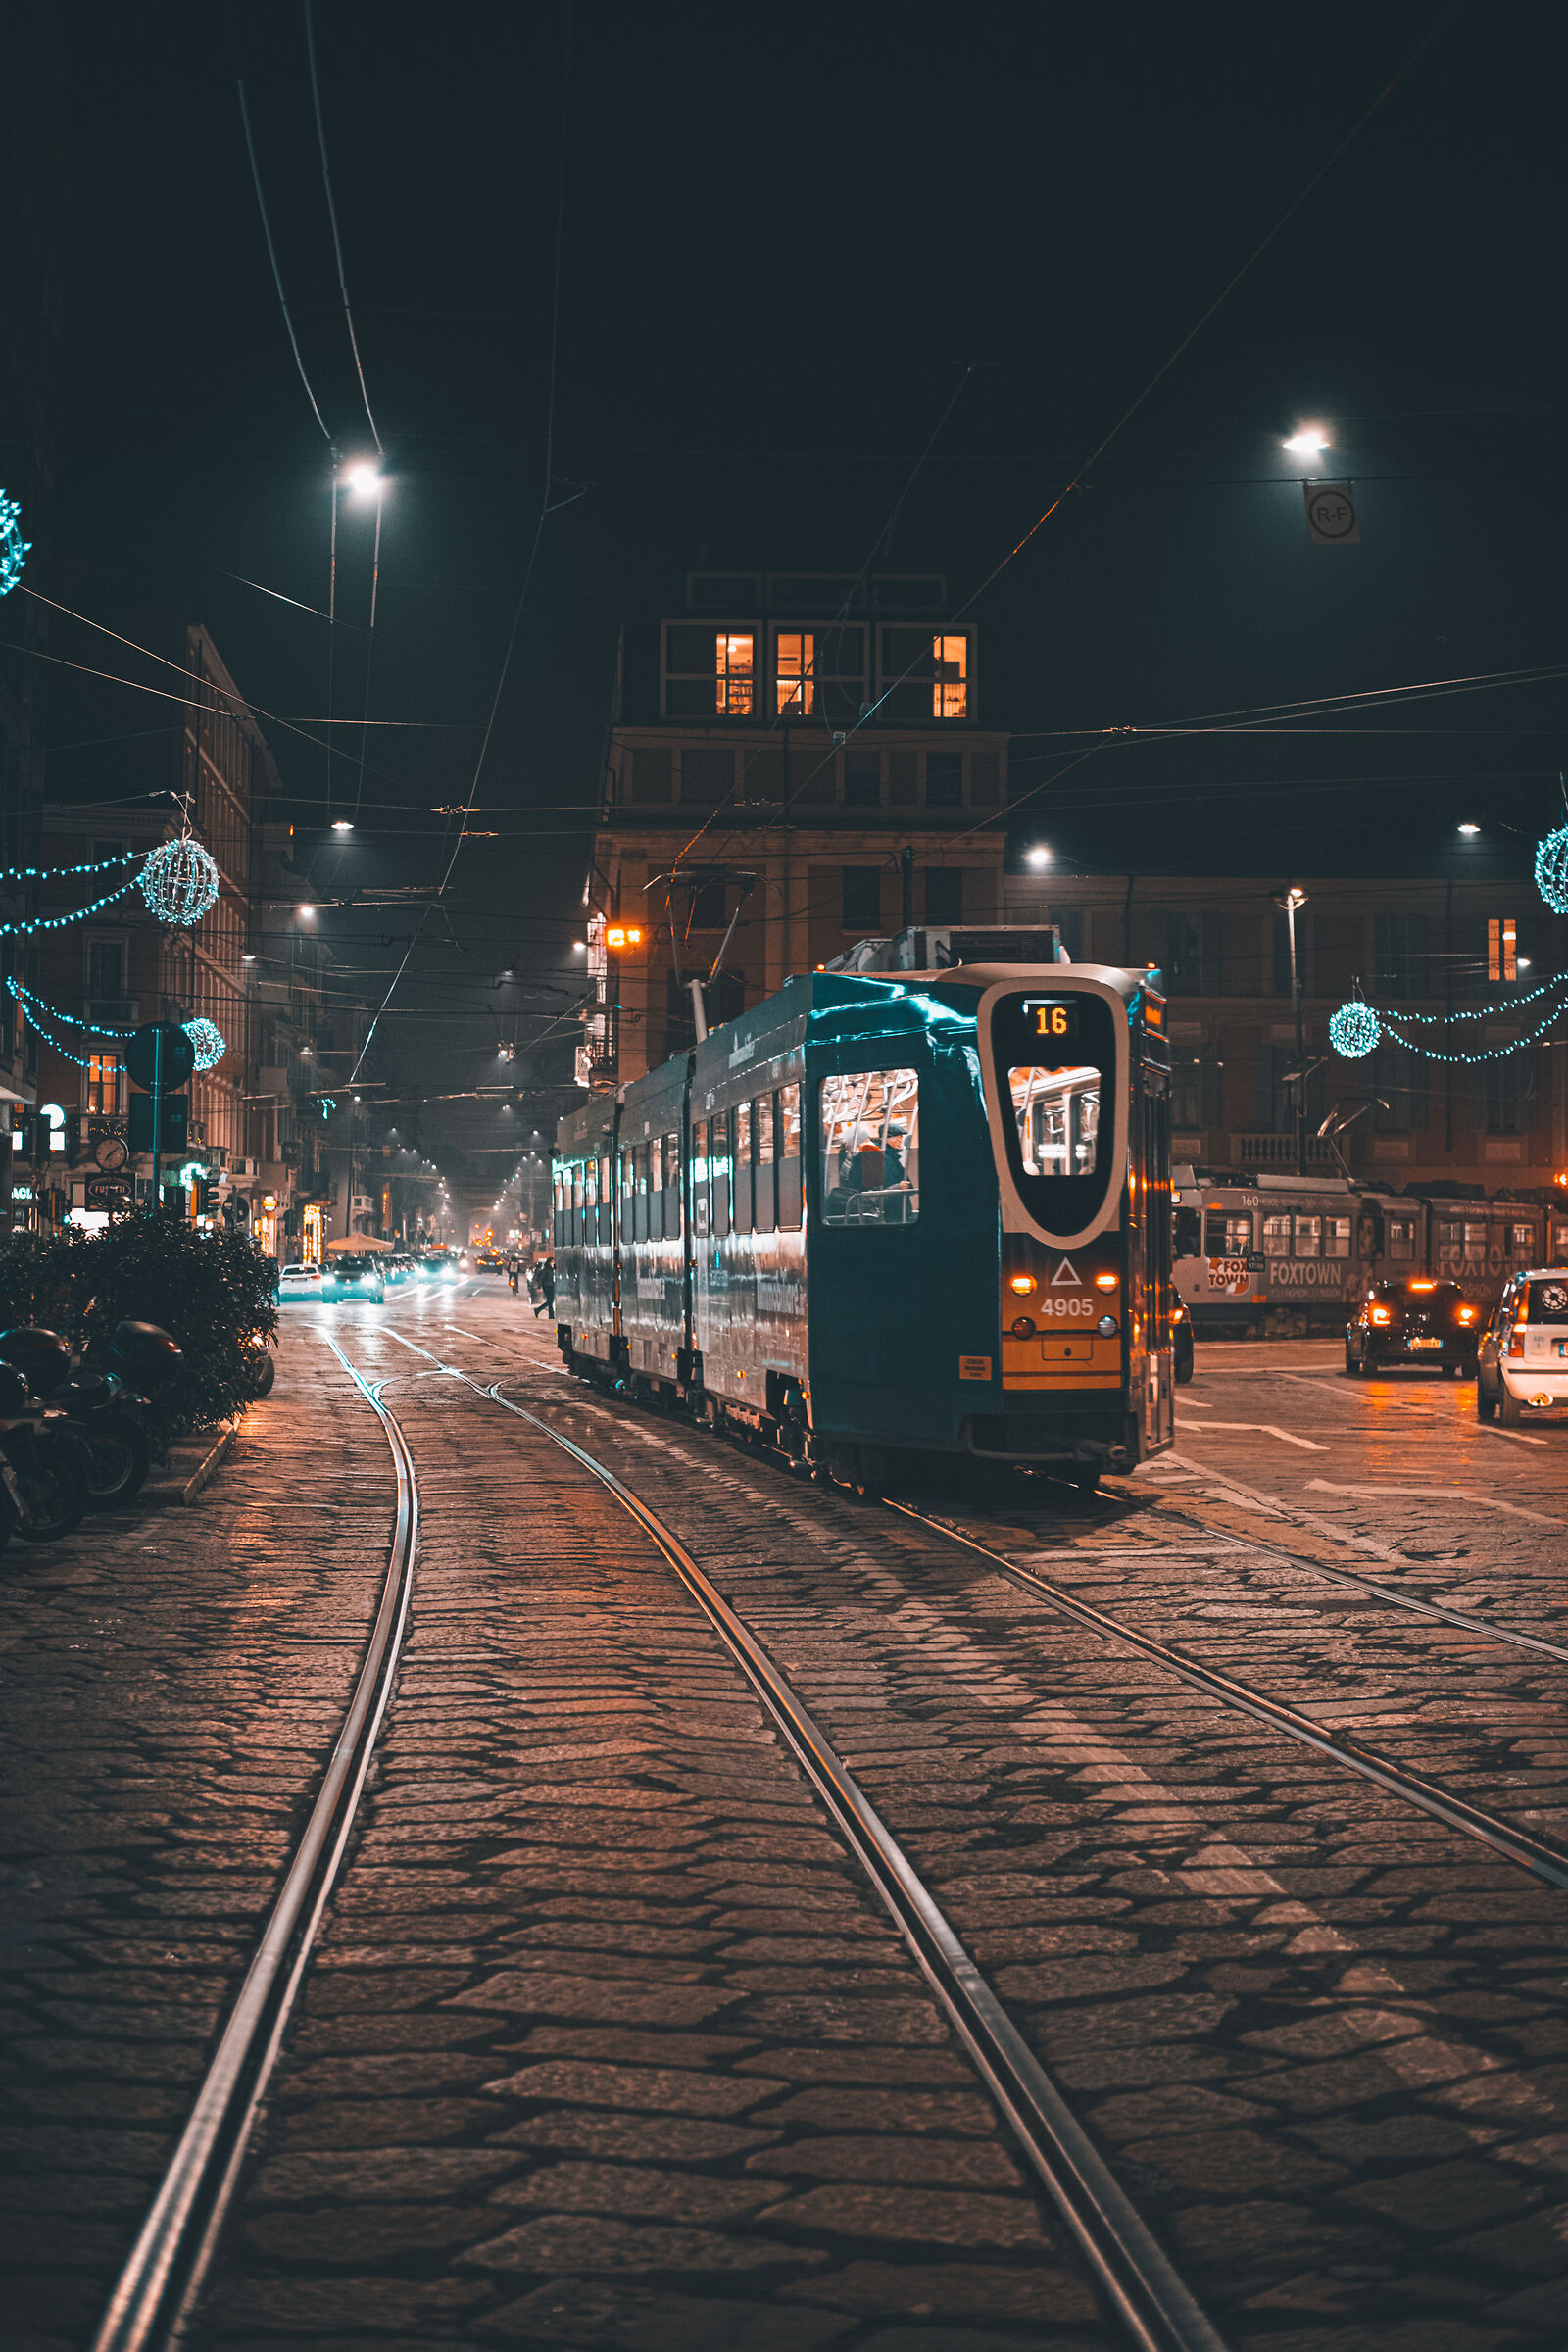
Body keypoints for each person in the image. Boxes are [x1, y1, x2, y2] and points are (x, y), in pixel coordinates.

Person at [535, 1253, 555, 1319]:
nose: (553, 1263)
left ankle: (538, 1310)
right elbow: (541, 1279)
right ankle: (551, 1315)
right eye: (552, 1262)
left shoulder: (552, 1269)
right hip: (546, 1286)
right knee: (550, 1301)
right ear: (549, 1262)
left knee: (550, 1301)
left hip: (551, 1286)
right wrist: (539, 1286)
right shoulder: (545, 1270)